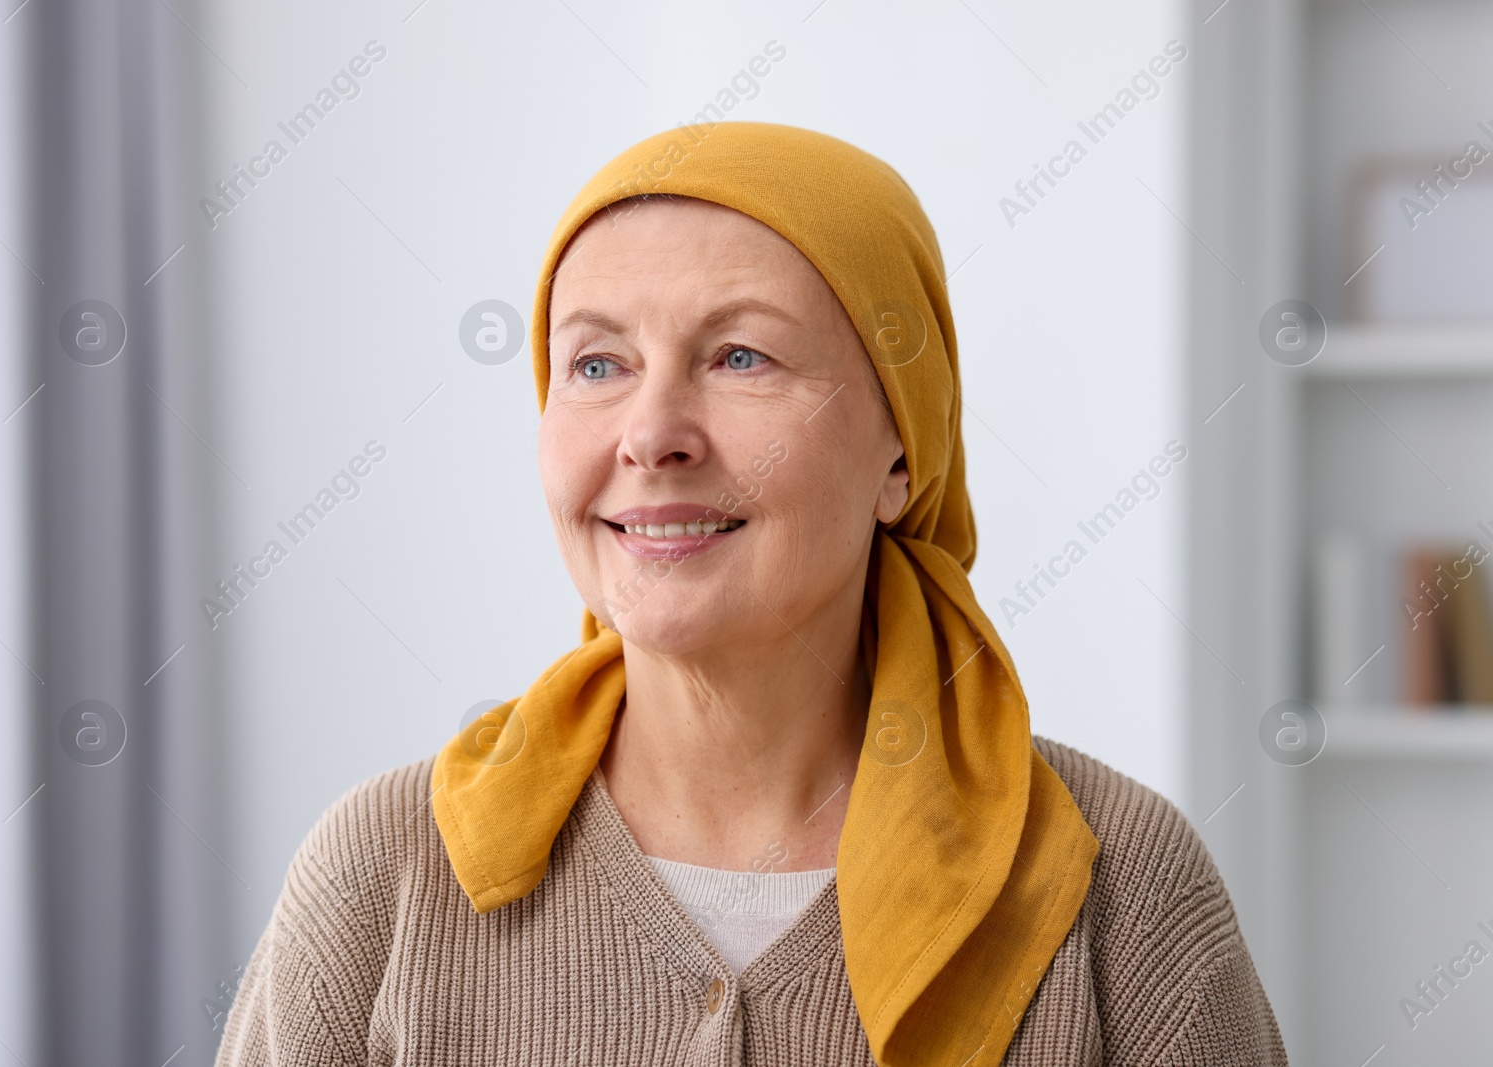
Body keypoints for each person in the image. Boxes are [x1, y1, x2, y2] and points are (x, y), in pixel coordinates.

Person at [215, 123, 1286, 1066]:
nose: (650, 434)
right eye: (596, 364)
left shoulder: (1119, 882)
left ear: (900, 456)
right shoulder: (383, 873)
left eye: (738, 355)